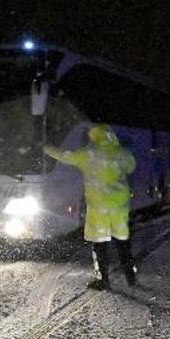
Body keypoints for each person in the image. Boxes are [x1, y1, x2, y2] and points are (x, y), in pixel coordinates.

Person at [44, 124, 137, 290]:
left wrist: (46, 148)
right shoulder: (121, 153)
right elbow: (132, 166)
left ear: (94, 137)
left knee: (100, 244)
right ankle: (131, 276)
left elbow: (65, 157)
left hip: (99, 208)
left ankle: (104, 280)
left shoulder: (88, 154)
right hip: (119, 206)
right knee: (123, 241)